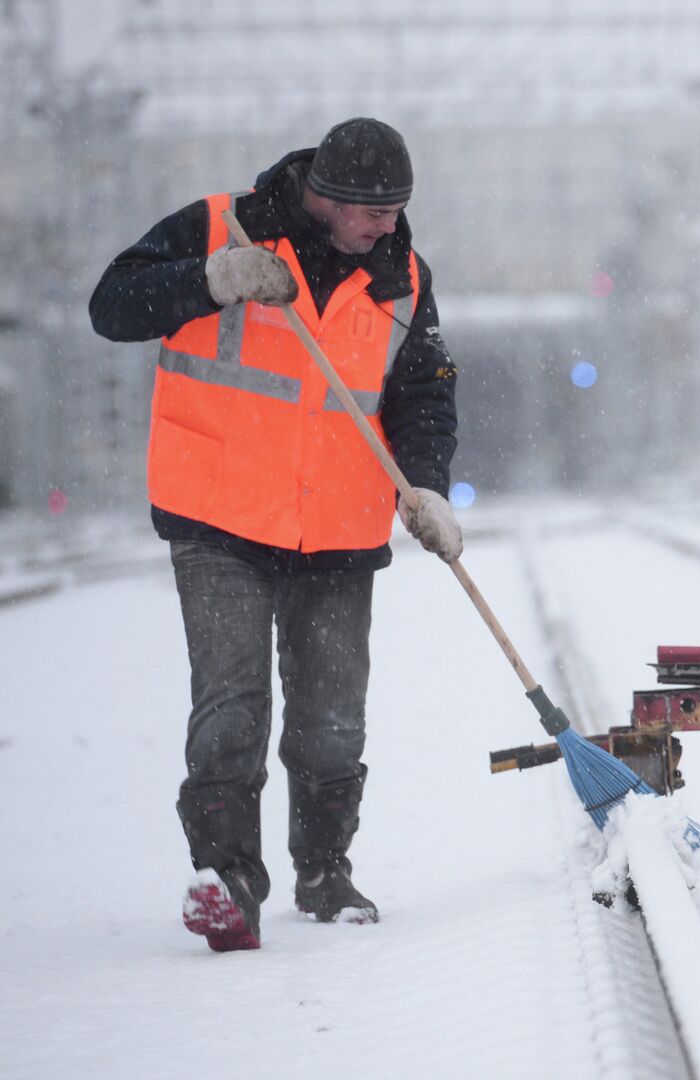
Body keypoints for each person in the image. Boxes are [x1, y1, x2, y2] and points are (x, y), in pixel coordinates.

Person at [89, 118, 462, 951]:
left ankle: (325, 871)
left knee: (333, 719)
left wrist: (428, 483)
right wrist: (209, 281)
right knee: (231, 706)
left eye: (399, 211)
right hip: (218, 518)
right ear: (325, 198)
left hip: (336, 525)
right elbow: (111, 307)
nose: (388, 227)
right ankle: (227, 881)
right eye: (375, 213)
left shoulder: (403, 278)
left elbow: (426, 391)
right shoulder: (219, 228)